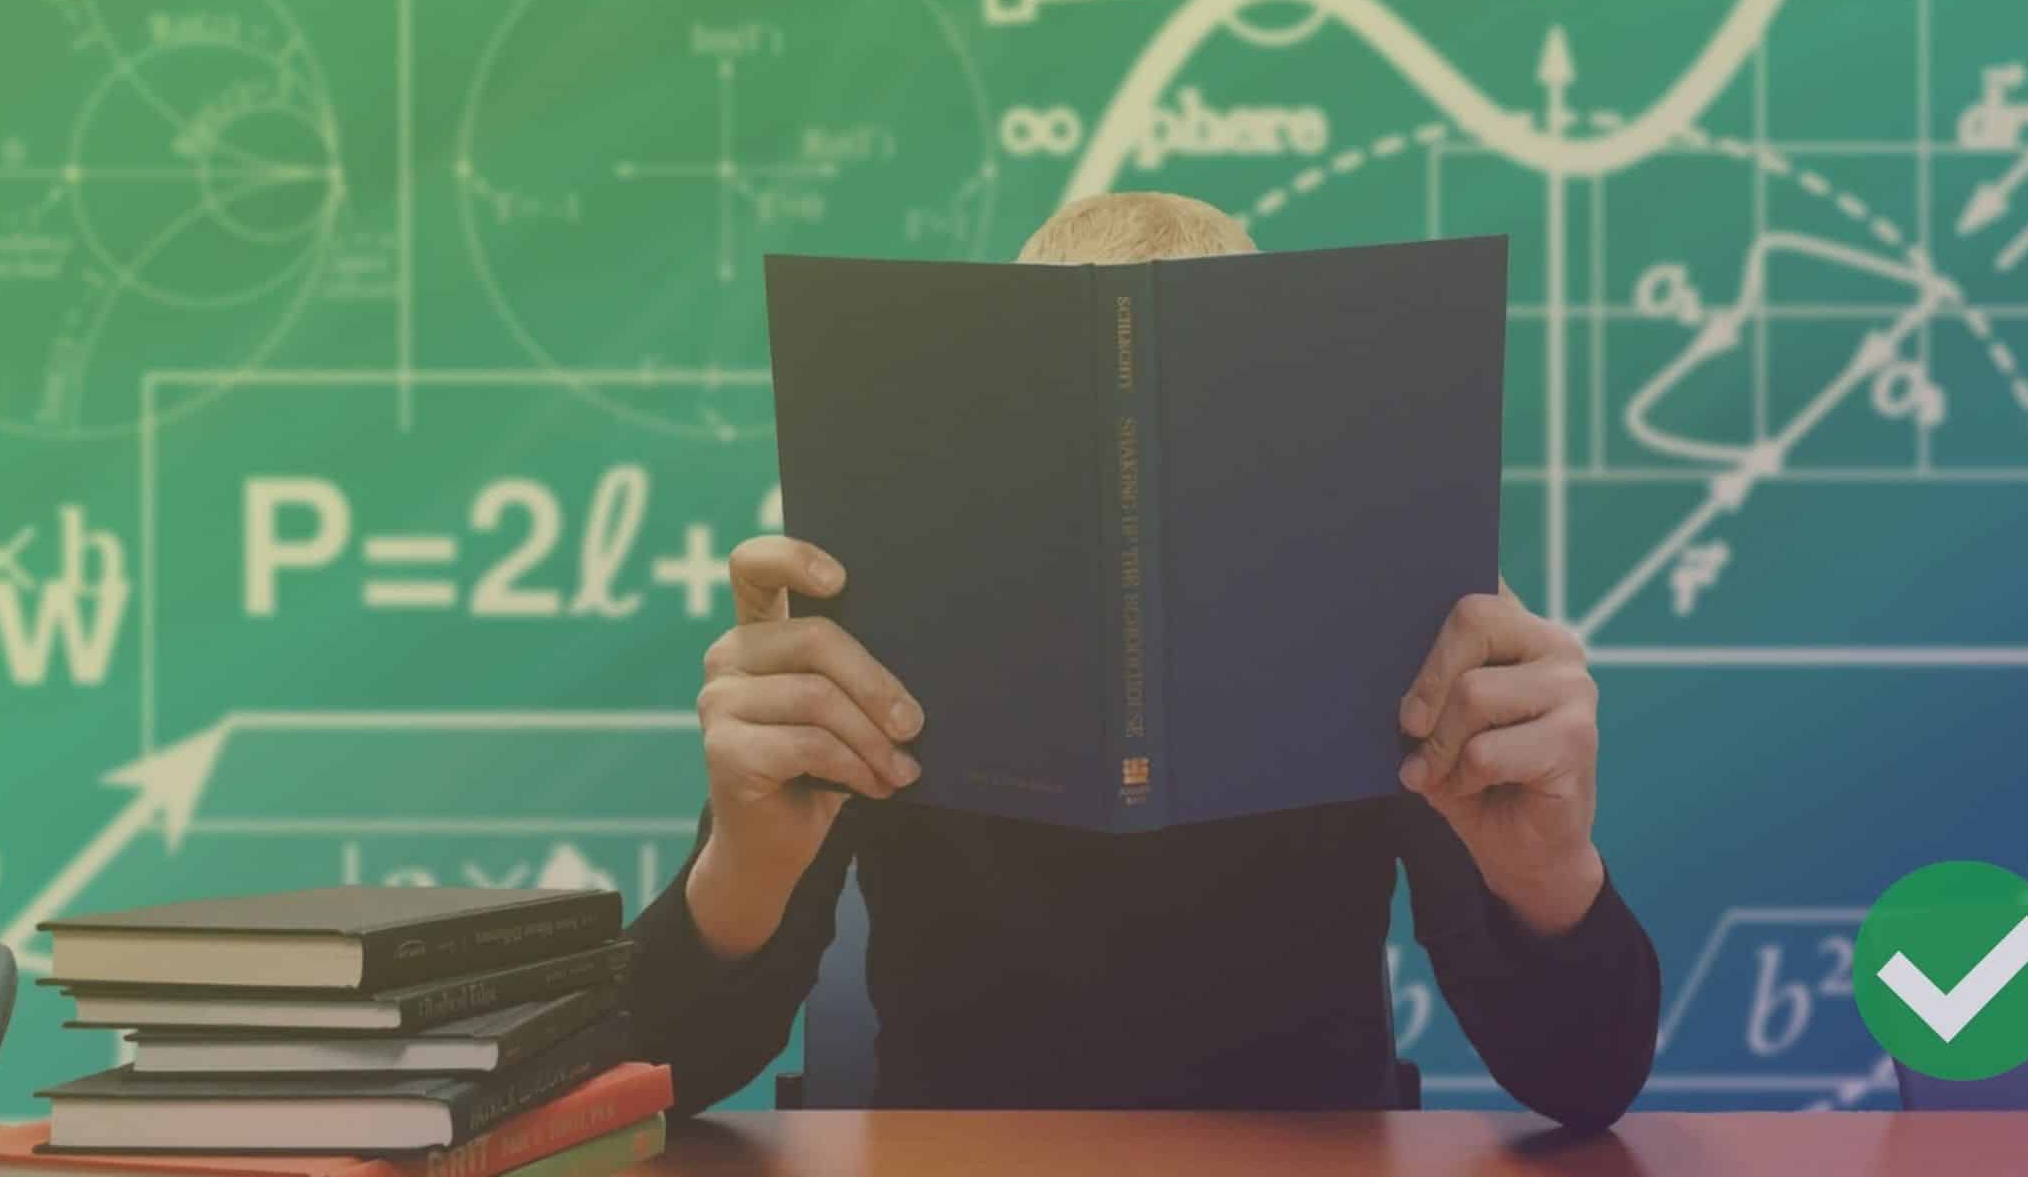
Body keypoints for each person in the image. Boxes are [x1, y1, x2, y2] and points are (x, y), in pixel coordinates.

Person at [623, 192, 1661, 1126]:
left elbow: (1585, 1080)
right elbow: (663, 1073)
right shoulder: (865, 628)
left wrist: (1547, 870)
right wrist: (744, 870)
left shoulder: (1387, 628)